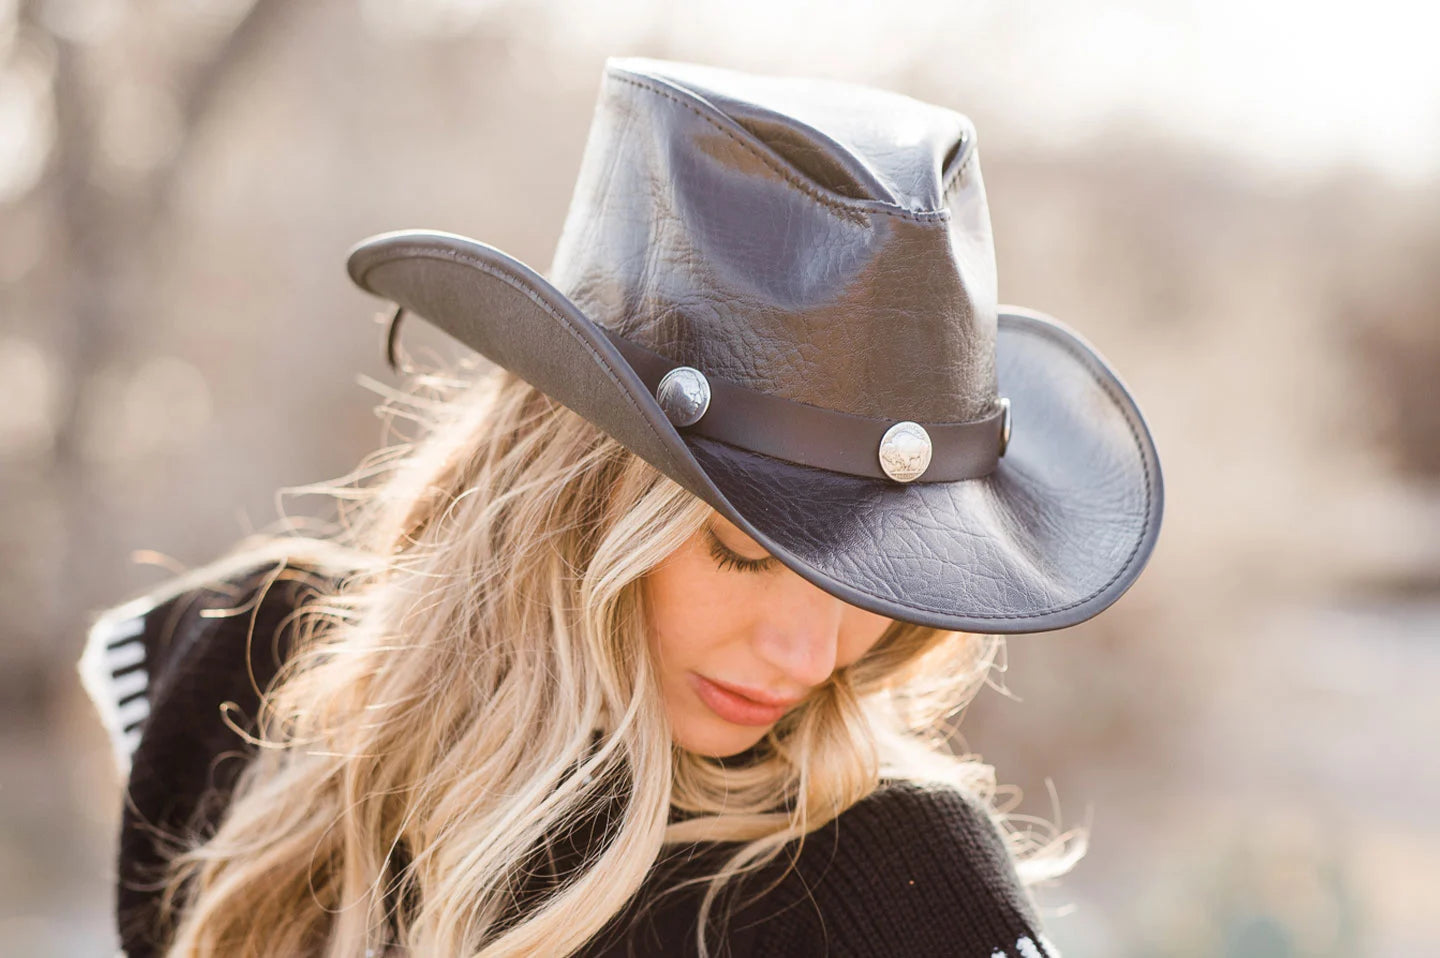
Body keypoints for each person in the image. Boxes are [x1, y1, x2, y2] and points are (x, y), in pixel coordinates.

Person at [78, 57, 1164, 957]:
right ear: (569, 499)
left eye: (876, 581)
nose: (806, 651)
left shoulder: (889, 886)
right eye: (741, 549)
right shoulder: (249, 674)